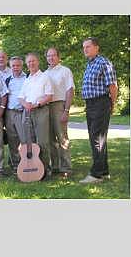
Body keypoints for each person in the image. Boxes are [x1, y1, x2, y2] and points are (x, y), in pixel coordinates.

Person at [79, 37, 118, 184]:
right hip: (91, 104)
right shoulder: (90, 64)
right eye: (84, 47)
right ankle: (104, 171)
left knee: (97, 138)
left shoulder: (103, 63)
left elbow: (113, 86)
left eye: (88, 46)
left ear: (96, 48)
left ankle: (96, 175)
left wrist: (111, 104)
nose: (85, 49)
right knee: (98, 138)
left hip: (101, 103)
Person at [18, 52, 53, 179]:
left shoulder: (45, 77)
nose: (31, 63)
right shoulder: (27, 79)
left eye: (33, 61)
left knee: (43, 142)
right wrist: (25, 104)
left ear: (38, 62)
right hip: (27, 112)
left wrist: (36, 105)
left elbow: (49, 96)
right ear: (26, 65)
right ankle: (31, 169)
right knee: (28, 143)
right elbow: (21, 97)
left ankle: (45, 170)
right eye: (28, 62)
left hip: (40, 110)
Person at [45, 47, 74, 178]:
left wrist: (66, 110)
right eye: (48, 56)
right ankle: (55, 167)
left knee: (62, 138)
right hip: (46, 107)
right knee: (50, 139)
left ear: (58, 56)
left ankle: (66, 167)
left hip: (59, 106)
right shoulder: (45, 73)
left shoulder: (65, 71)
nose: (51, 58)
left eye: (53, 55)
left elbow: (70, 91)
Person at [4, 56, 26, 173]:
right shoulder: (8, 80)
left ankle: (27, 163)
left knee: (25, 139)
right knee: (12, 141)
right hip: (10, 113)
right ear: (10, 66)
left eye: (18, 65)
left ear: (21, 66)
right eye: (13, 66)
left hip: (23, 112)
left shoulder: (27, 78)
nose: (15, 67)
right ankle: (15, 165)